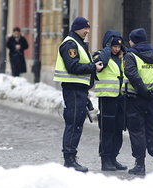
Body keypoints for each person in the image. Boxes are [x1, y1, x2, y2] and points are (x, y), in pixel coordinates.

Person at [53, 16, 103, 172]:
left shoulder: (78, 43)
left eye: (88, 28)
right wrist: (93, 67)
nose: (87, 31)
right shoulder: (70, 44)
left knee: (76, 124)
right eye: (84, 28)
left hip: (79, 90)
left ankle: (71, 157)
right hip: (72, 90)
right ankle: (69, 160)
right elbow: (73, 66)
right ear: (76, 28)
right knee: (73, 124)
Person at [123, 28, 153, 176]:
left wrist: (143, 90)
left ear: (133, 41)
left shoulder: (130, 56)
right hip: (152, 100)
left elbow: (132, 74)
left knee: (137, 131)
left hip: (135, 98)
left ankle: (140, 165)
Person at [93, 30, 128, 171]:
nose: (116, 49)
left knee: (118, 129)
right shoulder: (99, 55)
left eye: (119, 46)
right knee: (107, 130)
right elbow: (101, 63)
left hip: (121, 98)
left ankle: (113, 157)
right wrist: (107, 49)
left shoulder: (123, 57)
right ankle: (105, 159)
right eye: (113, 46)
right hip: (107, 98)